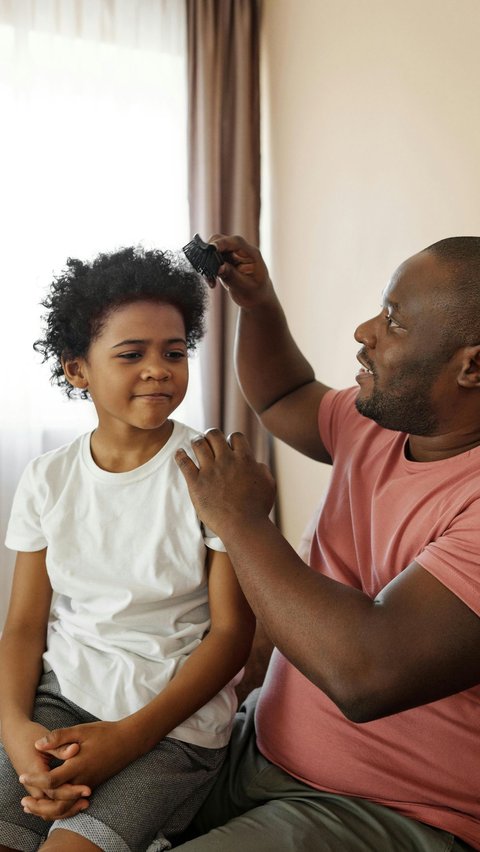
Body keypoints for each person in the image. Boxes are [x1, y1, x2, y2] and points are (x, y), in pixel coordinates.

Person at [171, 235, 480, 850]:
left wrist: (241, 522)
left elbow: (364, 674)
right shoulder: (377, 423)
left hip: (392, 811)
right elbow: (283, 396)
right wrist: (258, 306)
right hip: (255, 748)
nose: (365, 331)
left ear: (473, 366)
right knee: (36, 800)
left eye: (392, 320)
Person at [0, 246, 255, 852]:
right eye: (131, 354)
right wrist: (15, 730)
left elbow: (231, 636)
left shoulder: (212, 469)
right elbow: (23, 627)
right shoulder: (47, 478)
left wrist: (125, 739)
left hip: (172, 727)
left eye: (174, 353)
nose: (158, 369)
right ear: (77, 370)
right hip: (61, 704)